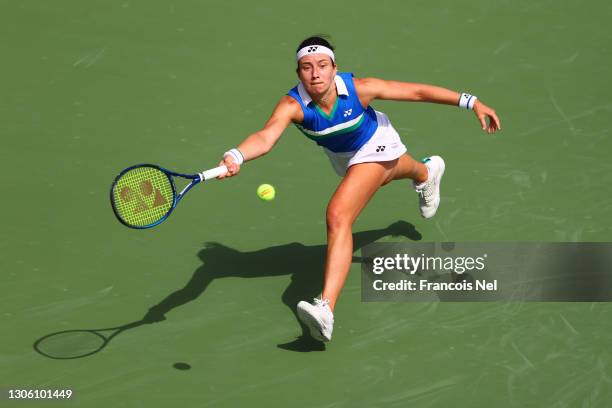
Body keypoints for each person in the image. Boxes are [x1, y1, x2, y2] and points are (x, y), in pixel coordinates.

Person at [218, 36, 501, 342]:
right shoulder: (292, 104)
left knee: (338, 215)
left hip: (375, 141)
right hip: (344, 156)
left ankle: (326, 309)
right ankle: (426, 172)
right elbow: (265, 137)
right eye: (307, 68)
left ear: (334, 68)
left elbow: (416, 92)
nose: (316, 74)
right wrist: (237, 155)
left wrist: (471, 102)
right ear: (298, 73)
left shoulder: (359, 89)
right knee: (389, 172)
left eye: (323, 66)